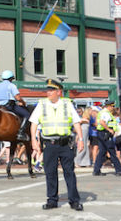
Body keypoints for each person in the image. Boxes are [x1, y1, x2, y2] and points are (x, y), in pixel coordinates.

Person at [30, 79, 84, 211]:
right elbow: (34, 123)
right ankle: (52, 200)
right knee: (50, 173)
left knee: (69, 172)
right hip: (49, 143)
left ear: (59, 92)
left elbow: (76, 122)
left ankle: (74, 200)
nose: (48, 93)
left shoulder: (67, 104)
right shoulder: (42, 104)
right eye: (47, 90)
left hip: (65, 143)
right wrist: (34, 140)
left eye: (51, 90)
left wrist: (81, 139)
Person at [92, 100, 121, 176]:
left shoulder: (103, 112)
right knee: (112, 151)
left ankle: (96, 170)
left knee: (102, 152)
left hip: (102, 133)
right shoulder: (105, 113)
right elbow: (102, 122)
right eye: (112, 106)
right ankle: (119, 170)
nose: (113, 108)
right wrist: (109, 129)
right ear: (109, 106)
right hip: (105, 133)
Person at [0, 70, 30, 140]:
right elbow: (17, 97)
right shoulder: (11, 85)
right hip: (9, 106)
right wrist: (23, 102)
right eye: (12, 79)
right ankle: (21, 133)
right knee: (27, 115)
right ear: (10, 78)